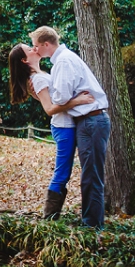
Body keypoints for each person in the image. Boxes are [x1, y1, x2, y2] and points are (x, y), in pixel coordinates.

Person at [29, 26, 111, 229]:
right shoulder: (64, 59)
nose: (35, 50)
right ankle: (91, 222)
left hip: (91, 120)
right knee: (89, 175)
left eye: (36, 46)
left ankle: (92, 226)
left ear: (46, 44)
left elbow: (61, 97)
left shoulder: (63, 62)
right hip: (86, 120)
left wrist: (52, 95)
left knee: (91, 176)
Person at [8, 43, 94, 220]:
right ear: (25, 60)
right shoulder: (37, 79)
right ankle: (49, 217)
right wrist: (78, 101)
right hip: (63, 127)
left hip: (67, 125)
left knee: (65, 172)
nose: (34, 49)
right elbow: (49, 108)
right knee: (62, 173)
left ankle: (52, 216)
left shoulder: (40, 76)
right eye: (30, 49)